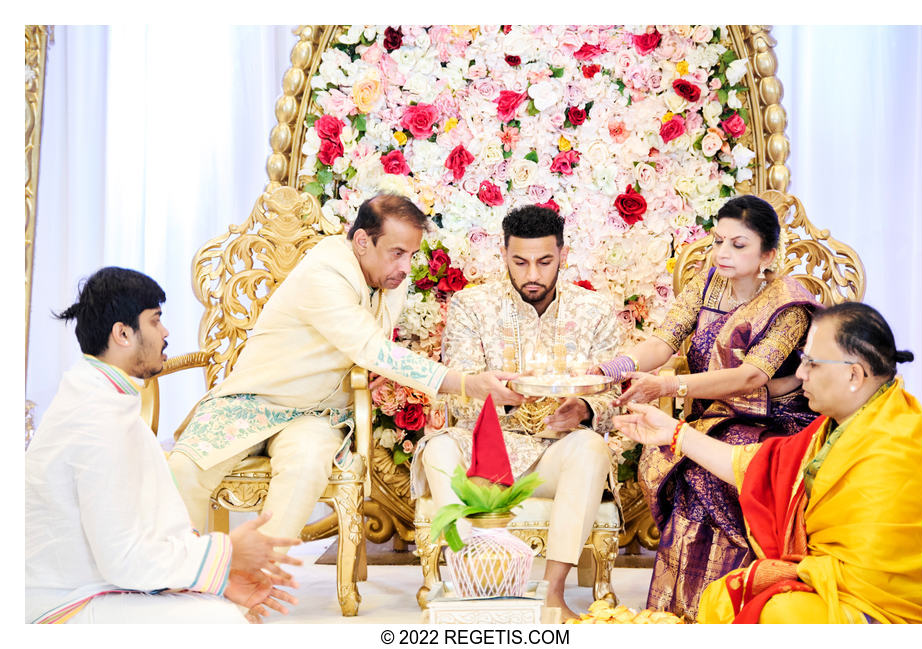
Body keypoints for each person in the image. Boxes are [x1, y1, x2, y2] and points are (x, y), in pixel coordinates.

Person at [168, 194, 523, 544]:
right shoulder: (325, 271)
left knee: (306, 466)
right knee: (184, 469)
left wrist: (372, 366)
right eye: (397, 253)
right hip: (252, 400)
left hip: (317, 415)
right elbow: (371, 348)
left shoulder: (388, 278)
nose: (405, 267)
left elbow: (369, 347)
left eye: (412, 255)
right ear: (362, 241)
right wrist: (469, 384)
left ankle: (260, 581)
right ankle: (180, 576)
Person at [613, 303, 922, 623]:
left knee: (779, 611)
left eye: (812, 364)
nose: (800, 374)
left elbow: (867, 576)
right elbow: (760, 467)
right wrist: (673, 433)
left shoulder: (894, 446)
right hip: (828, 582)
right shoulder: (840, 425)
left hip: (878, 609)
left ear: (854, 374)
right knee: (726, 593)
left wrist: (780, 574)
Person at [26, 267, 301, 624]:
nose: (165, 332)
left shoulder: (103, 397)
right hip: (62, 604)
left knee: (219, 612)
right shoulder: (95, 417)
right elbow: (124, 559)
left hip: (88, 585)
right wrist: (226, 553)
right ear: (123, 333)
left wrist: (219, 580)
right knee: (219, 623)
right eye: (155, 321)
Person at [595, 195, 821, 621]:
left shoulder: (788, 301)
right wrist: (611, 368)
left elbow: (752, 376)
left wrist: (667, 385)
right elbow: (665, 340)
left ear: (768, 254)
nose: (722, 253)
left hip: (775, 422)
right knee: (679, 457)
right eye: (718, 241)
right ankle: (679, 612)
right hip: (712, 417)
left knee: (703, 469)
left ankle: (728, 610)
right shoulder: (706, 284)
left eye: (739, 245)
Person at [411, 205, 618, 620]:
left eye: (544, 261)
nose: (532, 275)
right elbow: (456, 390)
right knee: (436, 450)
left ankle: (553, 594)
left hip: (552, 454)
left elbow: (613, 396)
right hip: (484, 455)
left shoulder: (595, 310)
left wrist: (584, 409)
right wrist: (490, 392)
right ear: (503, 255)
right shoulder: (472, 306)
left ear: (563, 254)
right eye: (520, 262)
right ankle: (472, 582)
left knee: (593, 447)